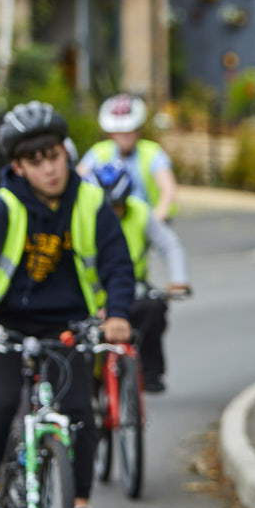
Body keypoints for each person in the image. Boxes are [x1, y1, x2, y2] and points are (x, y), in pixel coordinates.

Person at [0, 101, 135, 508]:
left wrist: (116, 315)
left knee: (79, 416)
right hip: (3, 326)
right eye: (36, 162)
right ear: (18, 166)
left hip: (68, 326)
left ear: (66, 153)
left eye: (54, 156)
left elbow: (118, 266)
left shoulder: (90, 201)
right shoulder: (6, 205)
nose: (49, 169)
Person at [90, 161, 191, 393]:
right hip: (91, 292)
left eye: (116, 206)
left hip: (130, 287)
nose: (111, 213)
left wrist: (179, 279)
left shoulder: (140, 212)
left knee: (154, 308)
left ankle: (149, 372)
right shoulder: (82, 214)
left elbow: (169, 245)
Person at [77, 93, 178, 220]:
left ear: (138, 130)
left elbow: (168, 189)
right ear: (111, 133)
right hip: (108, 221)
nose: (124, 137)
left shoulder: (152, 152)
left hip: (147, 222)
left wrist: (156, 219)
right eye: (119, 132)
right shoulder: (99, 151)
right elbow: (77, 179)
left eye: (129, 131)